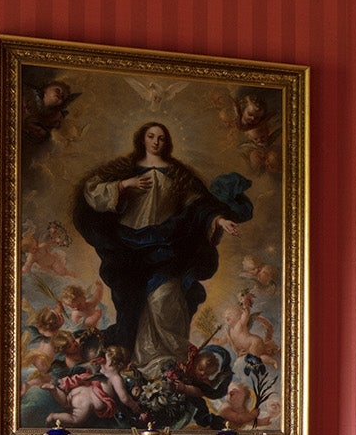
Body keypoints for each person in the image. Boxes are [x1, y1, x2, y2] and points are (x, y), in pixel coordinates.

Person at [73, 122, 252, 375]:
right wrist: (124, 185)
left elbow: (200, 206)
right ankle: (132, 361)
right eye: (151, 136)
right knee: (130, 304)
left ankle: (165, 364)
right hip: (127, 247)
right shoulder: (126, 170)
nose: (156, 141)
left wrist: (218, 219)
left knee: (165, 297)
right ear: (142, 139)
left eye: (161, 137)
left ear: (167, 142)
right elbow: (91, 192)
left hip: (166, 245)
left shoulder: (179, 175)